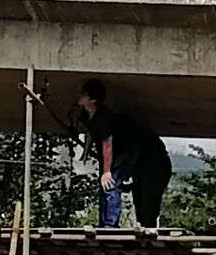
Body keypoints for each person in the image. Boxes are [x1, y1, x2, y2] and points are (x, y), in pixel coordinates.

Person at [71, 79, 173, 230]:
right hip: (124, 148)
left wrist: (106, 171)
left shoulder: (103, 118)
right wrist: (85, 153)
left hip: (131, 147)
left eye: (83, 94)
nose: (80, 96)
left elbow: (107, 145)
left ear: (92, 100)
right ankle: (104, 222)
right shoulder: (87, 114)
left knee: (111, 181)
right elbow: (90, 132)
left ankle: (110, 224)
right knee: (106, 184)